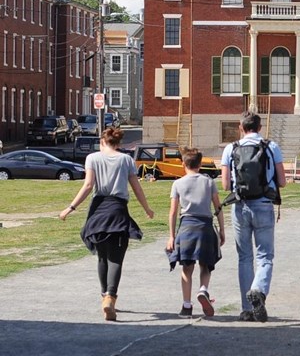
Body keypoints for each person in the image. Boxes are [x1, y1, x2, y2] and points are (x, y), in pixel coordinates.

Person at [59, 126, 154, 321]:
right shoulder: (126, 160)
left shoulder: (92, 158)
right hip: (118, 209)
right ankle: (111, 296)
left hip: (98, 210)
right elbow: (136, 187)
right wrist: (147, 209)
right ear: (119, 143)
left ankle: (104, 296)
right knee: (116, 258)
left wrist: (70, 207)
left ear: (103, 142)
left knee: (102, 257)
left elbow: (88, 185)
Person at [220, 111, 286, 322]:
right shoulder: (271, 146)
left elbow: (224, 185)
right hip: (264, 204)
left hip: (240, 205)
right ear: (259, 127)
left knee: (244, 257)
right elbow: (282, 181)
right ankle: (258, 289)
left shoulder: (231, 149)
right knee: (265, 256)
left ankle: (247, 308)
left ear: (241, 127)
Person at [166, 148, 226, 318]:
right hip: (205, 226)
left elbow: (172, 212)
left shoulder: (178, 183)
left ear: (183, 163)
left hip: (186, 227)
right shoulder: (209, 182)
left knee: (186, 268)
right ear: (200, 164)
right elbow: (218, 207)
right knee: (206, 264)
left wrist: (171, 236)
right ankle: (203, 289)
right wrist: (222, 229)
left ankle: (186, 306)